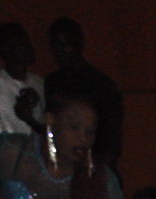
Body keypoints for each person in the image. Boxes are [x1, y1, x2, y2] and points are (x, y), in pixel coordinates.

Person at [47, 18, 122, 163]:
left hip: (93, 162)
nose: (60, 51)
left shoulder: (101, 84)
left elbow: (111, 137)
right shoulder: (51, 82)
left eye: (65, 44)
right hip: (60, 162)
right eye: (56, 46)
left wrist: (98, 170)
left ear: (78, 43)